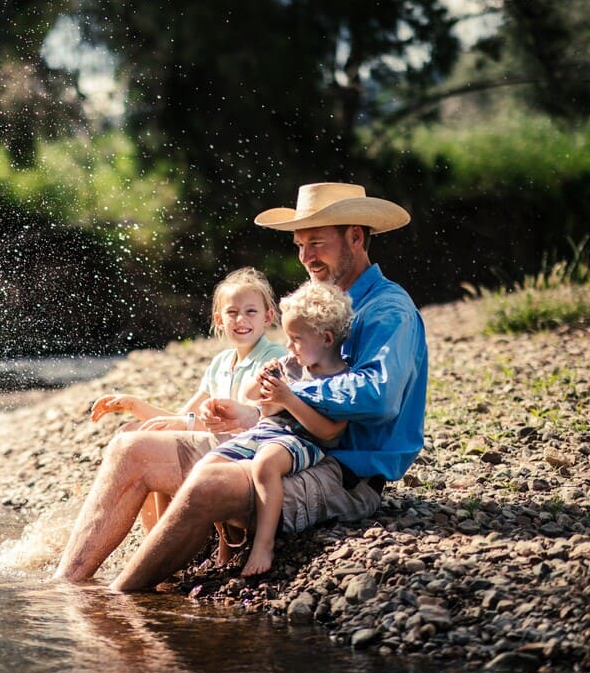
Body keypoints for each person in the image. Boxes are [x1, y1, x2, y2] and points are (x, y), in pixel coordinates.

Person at [54, 182, 428, 592]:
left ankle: (118, 599)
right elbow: (301, 385)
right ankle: (68, 589)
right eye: (299, 245)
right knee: (130, 446)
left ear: (355, 237)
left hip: (344, 473)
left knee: (208, 482)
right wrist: (254, 412)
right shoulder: (318, 305)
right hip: (289, 440)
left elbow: (379, 396)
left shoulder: (387, 309)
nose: (305, 257)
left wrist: (289, 395)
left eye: (316, 243)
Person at [88, 268, 287, 547]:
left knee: (146, 448)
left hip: (244, 451)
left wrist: (182, 425)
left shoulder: (274, 357)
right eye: (232, 313)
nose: (241, 319)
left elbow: (248, 420)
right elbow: (182, 418)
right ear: (219, 319)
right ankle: (153, 538)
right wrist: (134, 405)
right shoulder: (221, 362)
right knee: (131, 431)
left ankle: (162, 544)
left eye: (251, 311)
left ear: (268, 317)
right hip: (211, 442)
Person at [198, 280, 354, 576]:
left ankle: (263, 543)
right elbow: (250, 395)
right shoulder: (291, 364)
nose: (288, 346)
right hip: (269, 429)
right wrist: (260, 380)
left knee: (266, 463)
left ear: (326, 339)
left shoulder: (343, 381)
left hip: (305, 440)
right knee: (211, 463)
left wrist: (288, 399)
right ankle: (226, 544)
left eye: (295, 338)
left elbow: (330, 432)